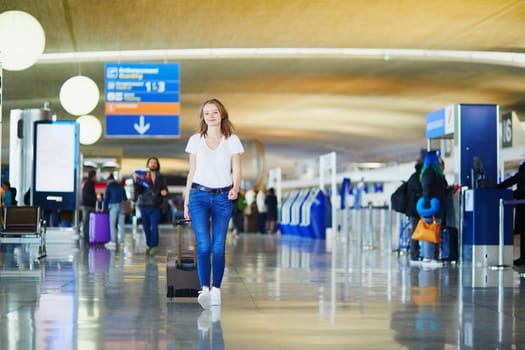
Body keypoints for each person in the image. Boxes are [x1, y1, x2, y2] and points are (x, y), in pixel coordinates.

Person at [184, 98, 244, 309]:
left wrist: (235, 187)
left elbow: (236, 169)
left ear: (222, 115)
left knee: (218, 246)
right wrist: (186, 202)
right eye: (207, 113)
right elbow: (191, 172)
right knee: (204, 245)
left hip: (223, 197)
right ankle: (204, 289)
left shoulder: (232, 140)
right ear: (203, 117)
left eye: (215, 112)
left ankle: (216, 288)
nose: (211, 116)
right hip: (198, 196)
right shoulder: (195, 140)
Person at [133, 157, 169, 256]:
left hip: (156, 205)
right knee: (146, 227)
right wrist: (135, 181)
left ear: (157, 165)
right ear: (148, 165)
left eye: (154, 163)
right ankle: (149, 244)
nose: (153, 164)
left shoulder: (161, 177)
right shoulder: (143, 177)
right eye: (151, 162)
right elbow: (138, 191)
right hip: (144, 205)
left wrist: (165, 193)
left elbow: (165, 190)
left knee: (154, 226)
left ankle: (154, 245)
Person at [419, 150, 447, 266]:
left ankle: (432, 256)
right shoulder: (431, 172)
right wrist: (429, 202)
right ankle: (428, 257)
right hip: (432, 207)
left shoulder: (432, 172)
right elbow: (427, 189)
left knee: (434, 231)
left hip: (436, 207)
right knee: (429, 232)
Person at [497, 161, 525, 266]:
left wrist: (512, 194)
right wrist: (498, 187)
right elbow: (516, 179)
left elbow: (520, 185)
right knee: (523, 232)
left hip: (522, 203)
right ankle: (523, 257)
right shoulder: (524, 166)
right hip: (521, 204)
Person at [406, 157, 423, 264]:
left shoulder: (413, 177)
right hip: (414, 210)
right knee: (415, 232)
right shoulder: (418, 178)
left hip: (413, 209)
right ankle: (414, 255)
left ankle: (415, 254)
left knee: (415, 232)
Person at [103, 174, 127, 249]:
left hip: (113, 206)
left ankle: (113, 241)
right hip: (122, 206)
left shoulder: (109, 186)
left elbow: (106, 198)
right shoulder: (120, 186)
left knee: (112, 224)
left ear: (109, 180)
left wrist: (104, 208)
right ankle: (122, 242)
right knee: (121, 225)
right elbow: (125, 198)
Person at [81, 170, 97, 239]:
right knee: (86, 221)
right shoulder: (90, 183)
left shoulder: (88, 183)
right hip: (88, 205)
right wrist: (94, 198)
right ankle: (86, 236)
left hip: (87, 204)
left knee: (87, 221)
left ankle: (87, 235)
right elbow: (87, 194)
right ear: (93, 176)